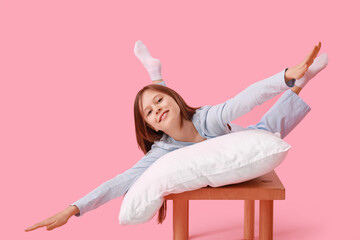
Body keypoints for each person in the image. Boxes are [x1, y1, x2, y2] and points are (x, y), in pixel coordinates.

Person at [25, 40, 328, 232]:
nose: (156, 110)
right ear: (150, 127)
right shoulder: (161, 150)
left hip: (231, 132)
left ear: (174, 98)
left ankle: (302, 81)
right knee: (264, 130)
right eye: (148, 112)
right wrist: (73, 208)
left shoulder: (206, 117)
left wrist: (286, 77)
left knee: (265, 132)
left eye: (159, 101)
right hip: (175, 126)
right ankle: (155, 75)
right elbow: (119, 182)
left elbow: (244, 100)